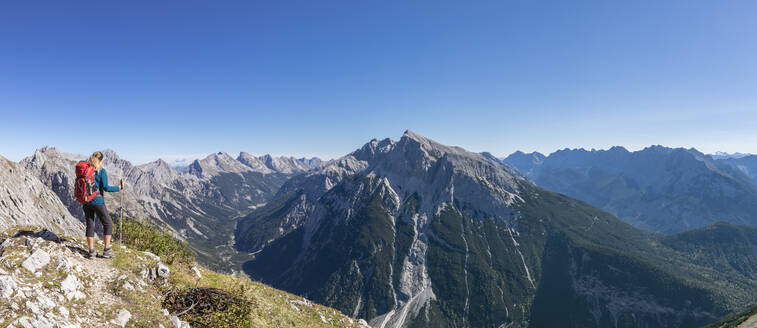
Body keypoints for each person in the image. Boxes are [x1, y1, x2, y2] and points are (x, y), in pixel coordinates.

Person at [83, 151, 123, 258]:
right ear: (101, 160)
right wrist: (118, 188)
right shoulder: (101, 171)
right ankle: (107, 250)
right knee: (108, 223)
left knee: (90, 223)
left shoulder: (85, 169)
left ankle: (91, 251)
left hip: (86, 201)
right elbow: (106, 187)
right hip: (97, 201)